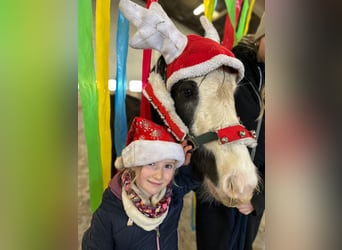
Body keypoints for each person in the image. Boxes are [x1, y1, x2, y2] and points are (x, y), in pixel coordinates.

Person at [195, 13, 265, 250]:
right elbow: (206, 123)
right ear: (262, 36)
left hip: (253, 191)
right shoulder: (230, 68)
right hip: (219, 184)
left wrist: (259, 199)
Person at [82, 116, 199, 250]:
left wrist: (185, 165)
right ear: (134, 165)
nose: (159, 175)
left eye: (168, 166)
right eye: (151, 163)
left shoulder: (172, 194)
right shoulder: (109, 212)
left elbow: (192, 180)